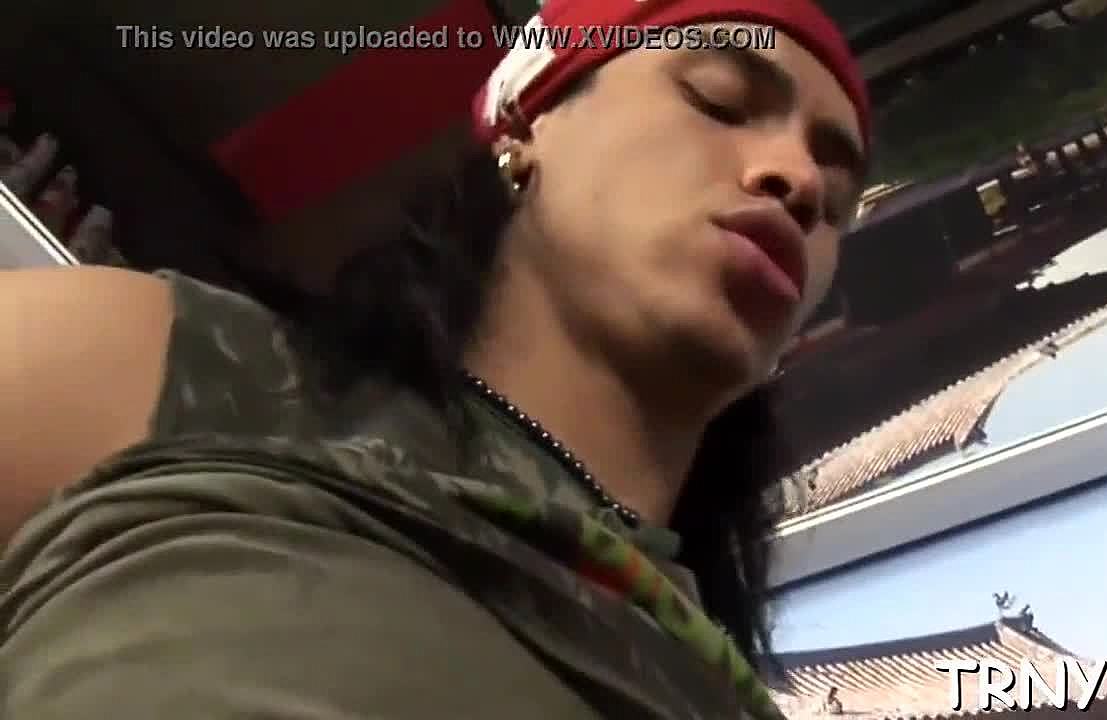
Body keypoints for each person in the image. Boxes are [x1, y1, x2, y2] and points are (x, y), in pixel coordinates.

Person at [0, 0, 870, 716]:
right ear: (524, 123)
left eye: (835, 200)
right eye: (719, 100)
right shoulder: (153, 364)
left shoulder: (710, 677)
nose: (796, 180)